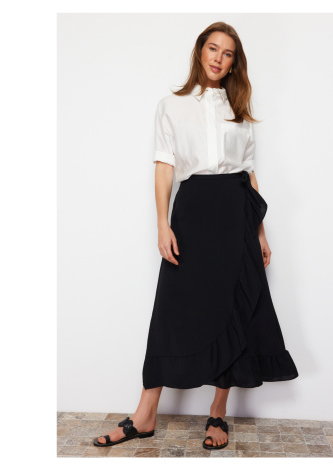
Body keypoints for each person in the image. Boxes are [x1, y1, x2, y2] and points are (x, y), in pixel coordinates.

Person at [94, 21, 299, 451]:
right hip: (192, 213)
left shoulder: (239, 111)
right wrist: (162, 223)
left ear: (234, 63)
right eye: (212, 48)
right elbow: (164, 166)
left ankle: (218, 413)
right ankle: (144, 415)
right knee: (170, 311)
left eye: (227, 53)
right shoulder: (171, 105)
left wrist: (260, 233)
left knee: (232, 309)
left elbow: (248, 174)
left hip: (236, 216)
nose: (218, 58)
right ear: (199, 51)